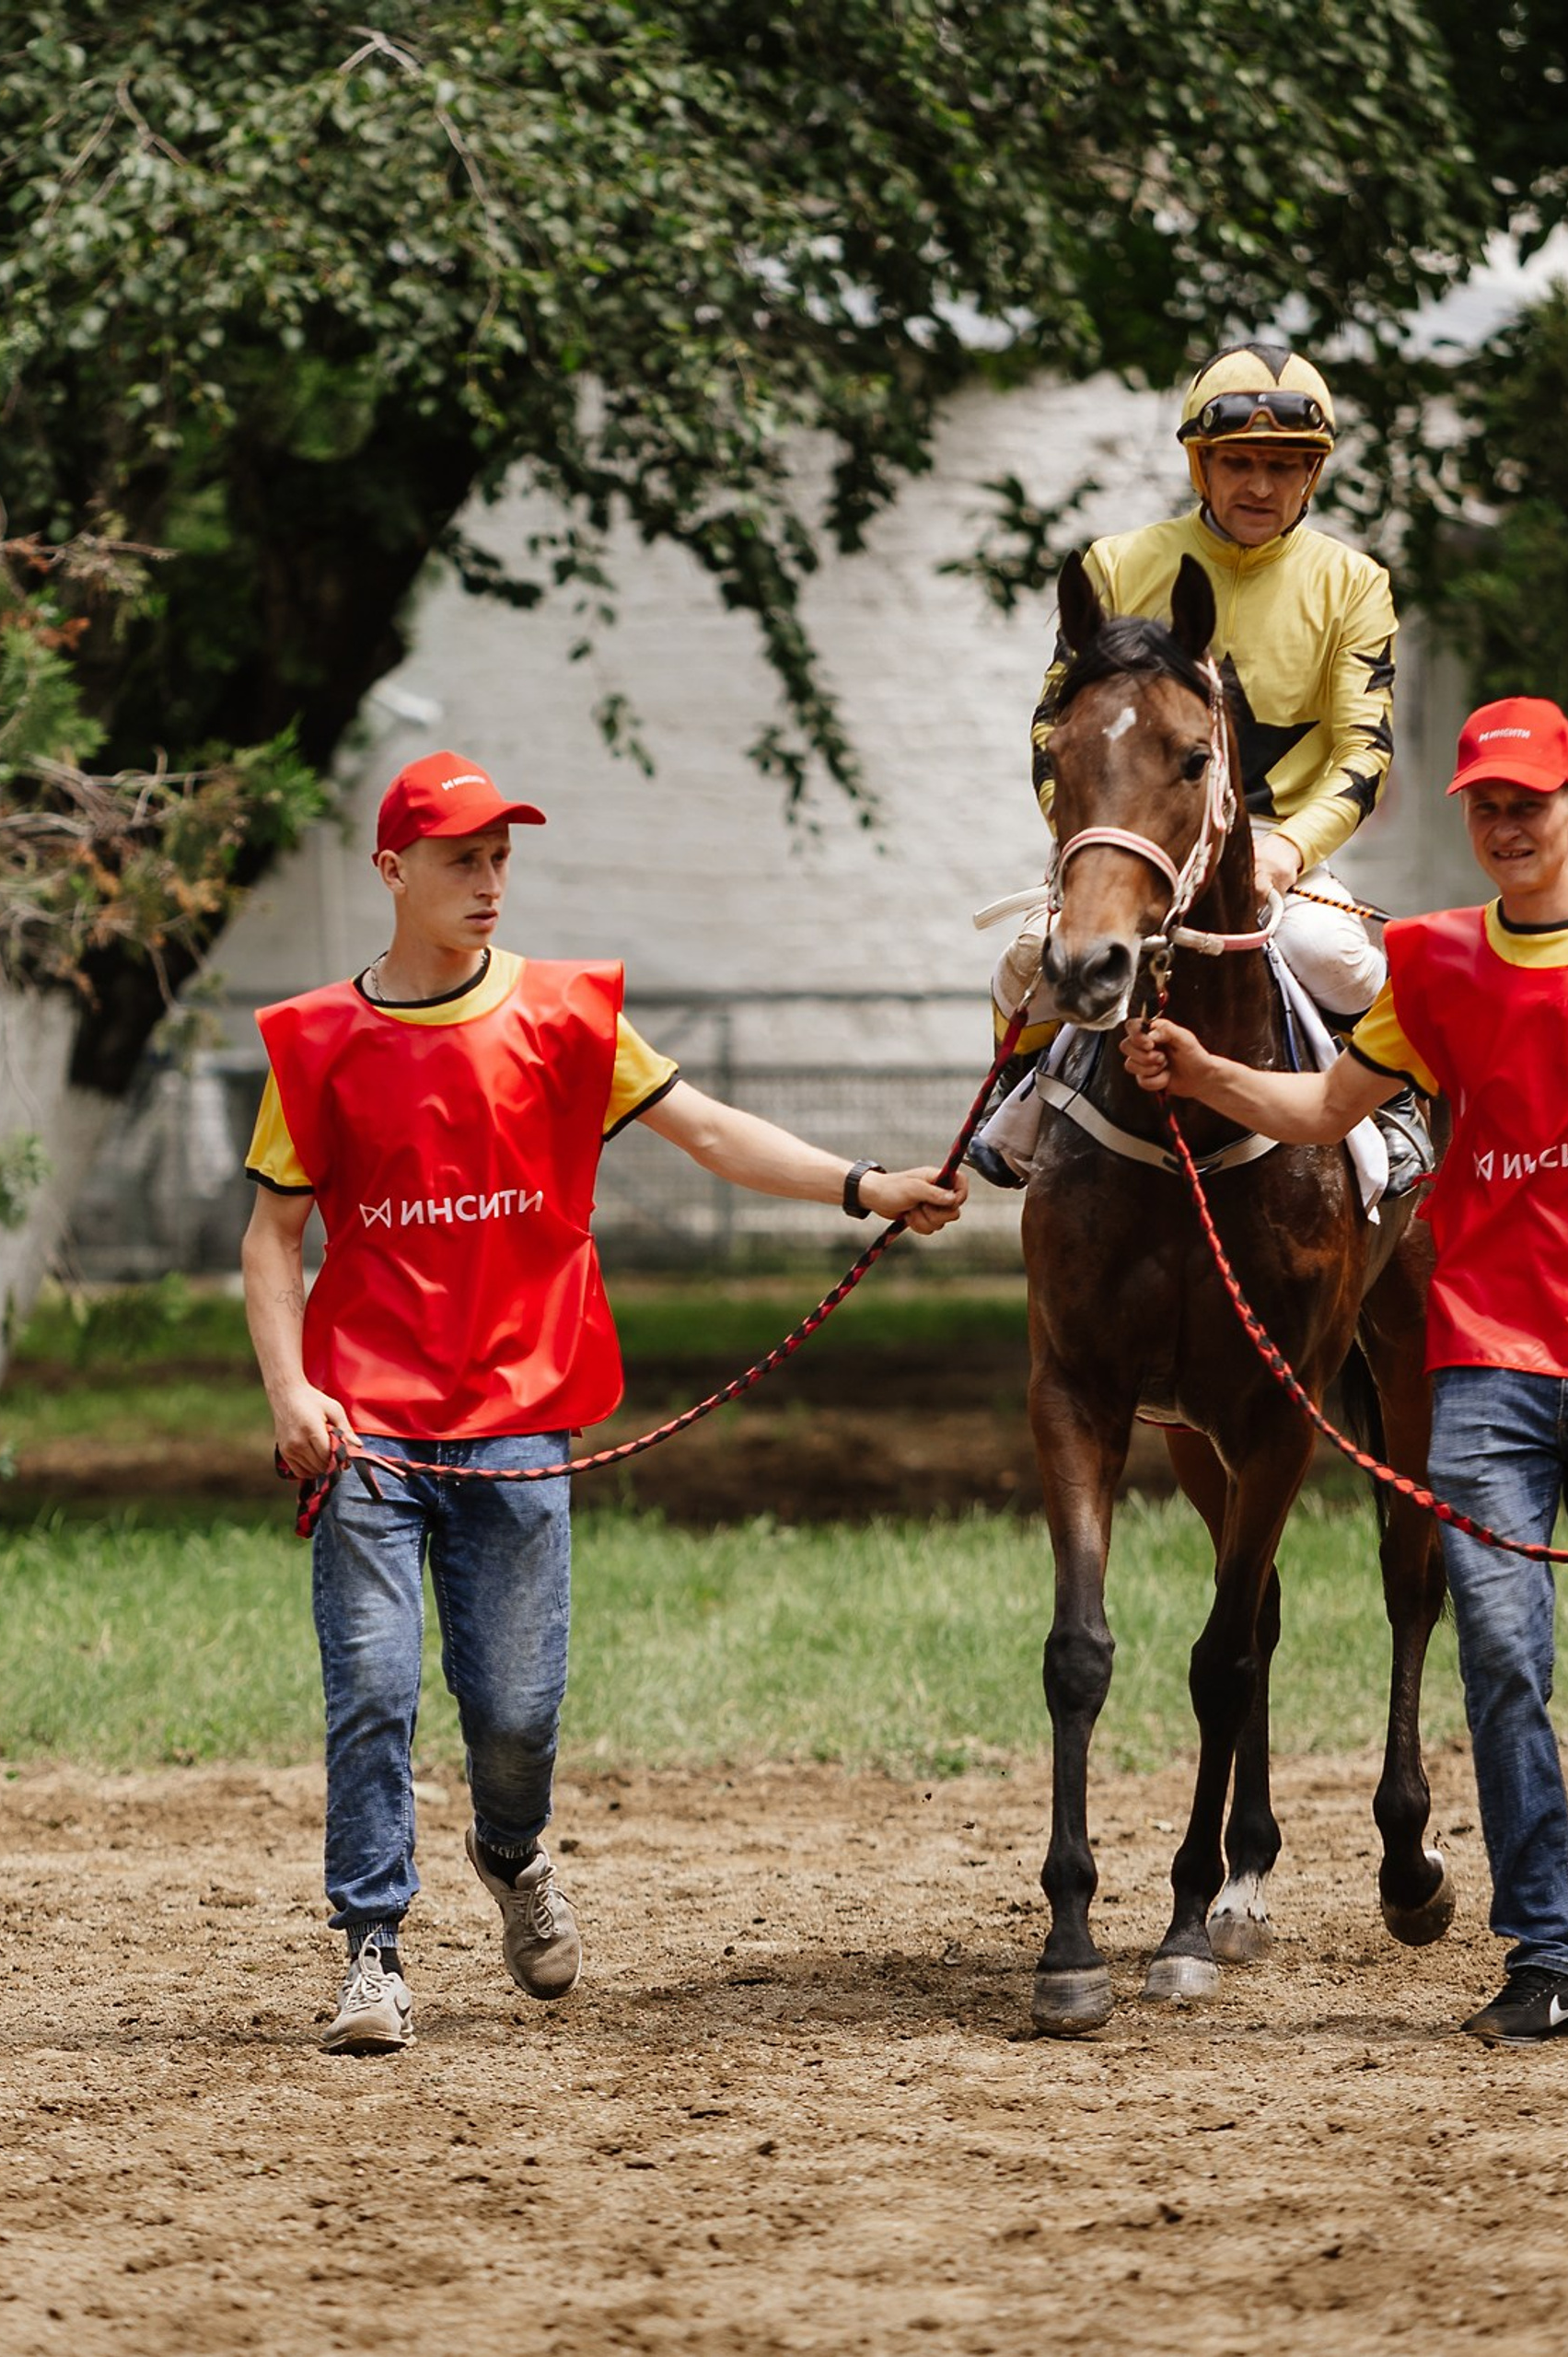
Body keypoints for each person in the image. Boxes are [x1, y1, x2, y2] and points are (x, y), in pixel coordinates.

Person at [241, 749, 968, 2054]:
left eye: (502, 854)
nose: (490, 879)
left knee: (514, 1712)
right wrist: (291, 1387)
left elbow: (710, 1133)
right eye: (462, 856)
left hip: (519, 1415)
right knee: (371, 1689)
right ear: (392, 870)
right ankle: (374, 1951)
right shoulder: (316, 1043)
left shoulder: (569, 1016)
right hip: (367, 1423)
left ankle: (510, 1852)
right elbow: (269, 1241)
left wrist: (864, 1186)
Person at [1121, 695, 1568, 2045]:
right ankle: (1545, 1954)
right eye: (1484, 803)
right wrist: (1206, 1069)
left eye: (1530, 799)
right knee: (1502, 1659)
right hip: (1489, 1371)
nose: (1506, 822)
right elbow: (1324, 1110)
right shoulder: (1438, 967)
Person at [972, 341, 1421, 1188]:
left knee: (1336, 954)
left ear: (1312, 477)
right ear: (1200, 465)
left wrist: (1289, 852)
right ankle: (1021, 1088)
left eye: (1285, 466)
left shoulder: (1354, 583)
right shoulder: (1114, 567)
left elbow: (1364, 752)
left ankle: (1391, 1114)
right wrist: (1090, 850)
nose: (1260, 485)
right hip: (1135, 838)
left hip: (1278, 847)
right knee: (1030, 958)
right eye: (1240, 462)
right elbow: (1052, 735)